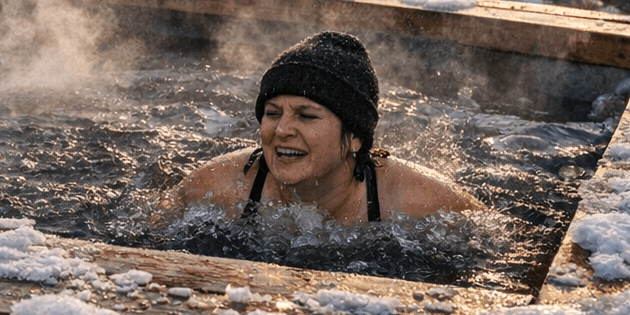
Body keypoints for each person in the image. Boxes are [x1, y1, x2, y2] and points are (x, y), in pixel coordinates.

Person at [166, 32, 478, 225]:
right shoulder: (221, 187)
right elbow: (158, 219)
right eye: (273, 113)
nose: (282, 130)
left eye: (306, 116)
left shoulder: (418, 200)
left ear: (355, 137)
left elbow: (495, 242)